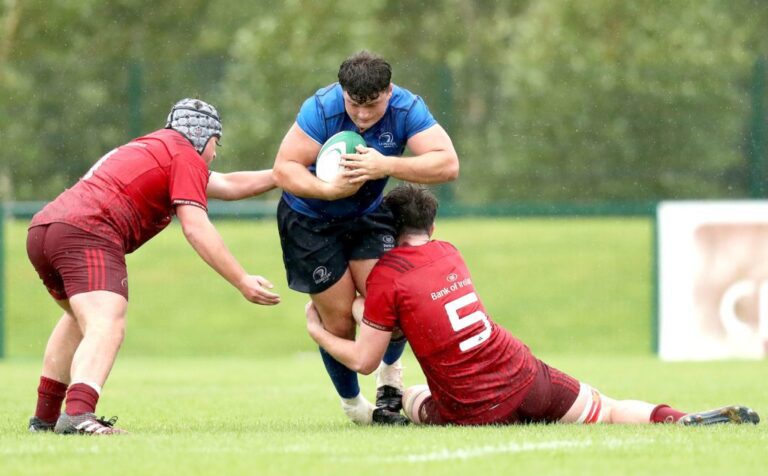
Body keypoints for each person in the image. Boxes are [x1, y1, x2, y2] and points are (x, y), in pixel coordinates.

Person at [306, 184, 761, 427]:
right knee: (609, 409)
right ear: (432, 223)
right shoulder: (450, 253)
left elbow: (366, 360)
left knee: (403, 400)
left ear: (389, 227)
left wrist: (321, 331)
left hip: (472, 405)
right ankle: (678, 419)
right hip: (524, 374)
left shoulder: (387, 275)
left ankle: (391, 404)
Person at [26, 98, 281, 435]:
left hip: (45, 230)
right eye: (216, 143)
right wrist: (242, 279)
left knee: (79, 318)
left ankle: (44, 419)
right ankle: (78, 416)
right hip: (87, 231)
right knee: (106, 322)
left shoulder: (157, 147)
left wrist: (285, 175)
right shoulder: (185, 155)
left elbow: (230, 185)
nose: (215, 154)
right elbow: (195, 226)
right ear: (204, 138)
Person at [272, 51, 459, 424]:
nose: (362, 115)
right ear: (342, 93)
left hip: (367, 214)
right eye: (354, 104)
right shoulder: (321, 109)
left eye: (372, 105)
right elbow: (283, 169)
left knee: (388, 305)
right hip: (309, 221)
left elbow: (448, 164)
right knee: (340, 322)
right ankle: (353, 405)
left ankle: (390, 380)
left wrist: (385, 164)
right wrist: (327, 190)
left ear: (389, 91)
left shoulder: (406, 109)